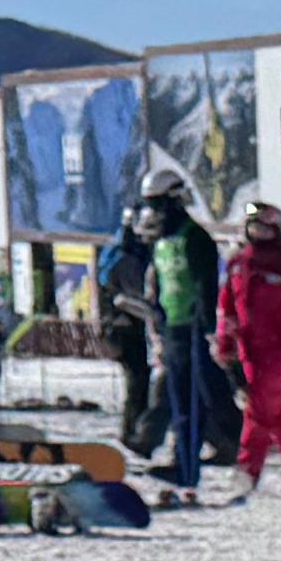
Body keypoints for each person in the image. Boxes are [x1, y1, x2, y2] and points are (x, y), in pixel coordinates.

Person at [216, 205, 281, 486]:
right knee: (275, 410)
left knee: (259, 410)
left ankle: (248, 471)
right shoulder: (238, 263)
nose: (257, 232)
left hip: (276, 351)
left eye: (263, 227)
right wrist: (225, 342)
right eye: (252, 226)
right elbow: (227, 308)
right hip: (247, 350)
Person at [148, 186, 224, 490]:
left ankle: (188, 467)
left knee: (191, 397)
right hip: (173, 326)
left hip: (193, 328)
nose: (153, 213)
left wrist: (206, 324)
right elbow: (159, 285)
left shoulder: (195, 237)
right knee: (176, 396)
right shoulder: (162, 241)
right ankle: (183, 460)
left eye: (158, 206)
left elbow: (207, 282)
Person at [96, 187, 165, 460]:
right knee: (138, 381)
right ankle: (132, 433)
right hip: (124, 327)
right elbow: (133, 294)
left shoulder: (118, 252)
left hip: (120, 326)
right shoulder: (126, 258)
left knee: (139, 380)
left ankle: (135, 431)